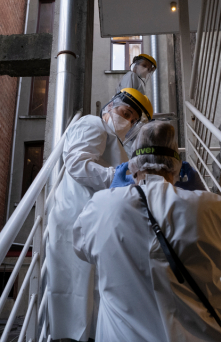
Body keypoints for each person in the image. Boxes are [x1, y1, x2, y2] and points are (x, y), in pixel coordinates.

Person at [73, 121, 221, 342]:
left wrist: (111, 200)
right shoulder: (214, 207)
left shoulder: (100, 206)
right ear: (177, 165)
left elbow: (81, 248)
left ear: (132, 165)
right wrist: (202, 201)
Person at [46, 88, 153, 341]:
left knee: (88, 292)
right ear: (109, 107)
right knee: (77, 292)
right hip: (77, 214)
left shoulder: (112, 139)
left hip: (90, 219)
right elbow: (78, 164)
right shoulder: (94, 124)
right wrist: (119, 177)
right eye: (124, 113)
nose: (127, 121)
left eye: (133, 119)